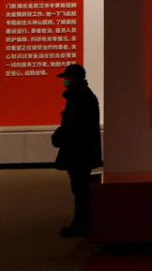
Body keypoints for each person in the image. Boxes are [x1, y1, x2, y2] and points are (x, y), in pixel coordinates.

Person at [51, 63, 102, 238]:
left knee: (80, 189)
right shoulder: (83, 97)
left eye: (67, 77)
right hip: (81, 151)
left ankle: (81, 224)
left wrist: (60, 136)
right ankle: (82, 222)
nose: (65, 81)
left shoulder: (80, 98)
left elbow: (76, 127)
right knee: (80, 188)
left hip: (79, 152)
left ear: (74, 78)